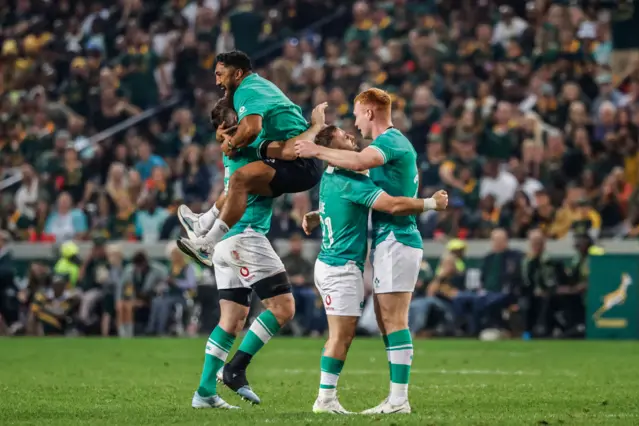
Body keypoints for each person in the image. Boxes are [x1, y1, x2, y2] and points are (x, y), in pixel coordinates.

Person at [300, 125, 448, 414]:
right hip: (340, 268)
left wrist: (319, 216)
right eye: (344, 136)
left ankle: (331, 398)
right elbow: (391, 205)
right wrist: (432, 203)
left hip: (334, 264)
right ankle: (325, 400)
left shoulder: (334, 178)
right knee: (342, 336)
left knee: (352, 331)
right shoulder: (352, 181)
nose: (351, 136)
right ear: (333, 150)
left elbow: (343, 207)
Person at [182, 100, 309, 410]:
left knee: (231, 320)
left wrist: (207, 218)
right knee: (283, 308)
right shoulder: (253, 148)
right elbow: (294, 150)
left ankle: (204, 392)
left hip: (227, 242)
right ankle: (235, 369)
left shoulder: (234, 152)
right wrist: (315, 123)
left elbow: (228, 191)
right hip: (245, 235)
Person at [177, 50, 325, 259]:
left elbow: (253, 129)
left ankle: (206, 243)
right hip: (292, 160)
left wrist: (230, 144)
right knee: (237, 184)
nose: (217, 81)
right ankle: (202, 225)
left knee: (239, 180)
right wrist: (229, 141)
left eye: (220, 74)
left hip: (301, 161)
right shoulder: (254, 94)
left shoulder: (247, 90)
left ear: (237, 74)